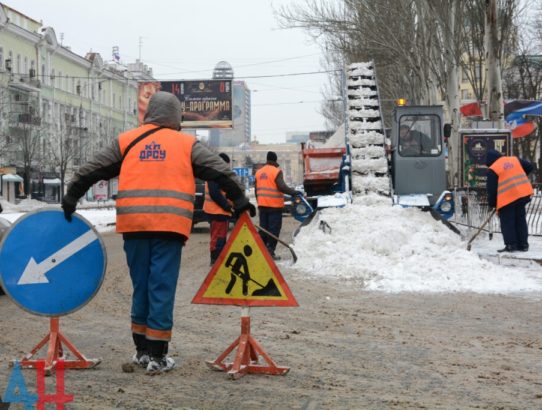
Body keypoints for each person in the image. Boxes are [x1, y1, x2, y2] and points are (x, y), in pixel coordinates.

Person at [61, 91, 255, 374]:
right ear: (177, 116)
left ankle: (141, 351)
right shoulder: (186, 144)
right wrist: (239, 201)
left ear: (149, 113)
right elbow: (220, 172)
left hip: (134, 226)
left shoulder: (127, 141)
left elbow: (93, 169)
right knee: (161, 287)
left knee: (142, 286)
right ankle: (158, 356)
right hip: (169, 227)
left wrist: (72, 196)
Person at [254, 151, 302, 260]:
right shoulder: (276, 171)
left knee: (263, 229)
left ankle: (261, 252)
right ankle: (270, 252)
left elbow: (256, 191)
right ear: (275, 160)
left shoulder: (258, 172)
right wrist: (294, 192)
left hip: (262, 206)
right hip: (274, 207)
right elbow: (282, 187)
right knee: (273, 230)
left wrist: (260, 202)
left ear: (267, 160)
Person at [485, 149, 533, 253]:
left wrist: (492, 203)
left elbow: (492, 190)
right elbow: (529, 166)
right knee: (520, 220)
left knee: (507, 222)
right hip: (522, 193)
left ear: (489, 161)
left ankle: (511, 245)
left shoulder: (493, 169)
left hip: (507, 199)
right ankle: (523, 245)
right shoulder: (514, 159)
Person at [203, 152, 233, 265]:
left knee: (220, 236)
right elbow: (215, 193)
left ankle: (218, 259)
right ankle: (215, 260)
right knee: (218, 237)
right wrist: (226, 205)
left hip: (218, 211)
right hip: (217, 211)